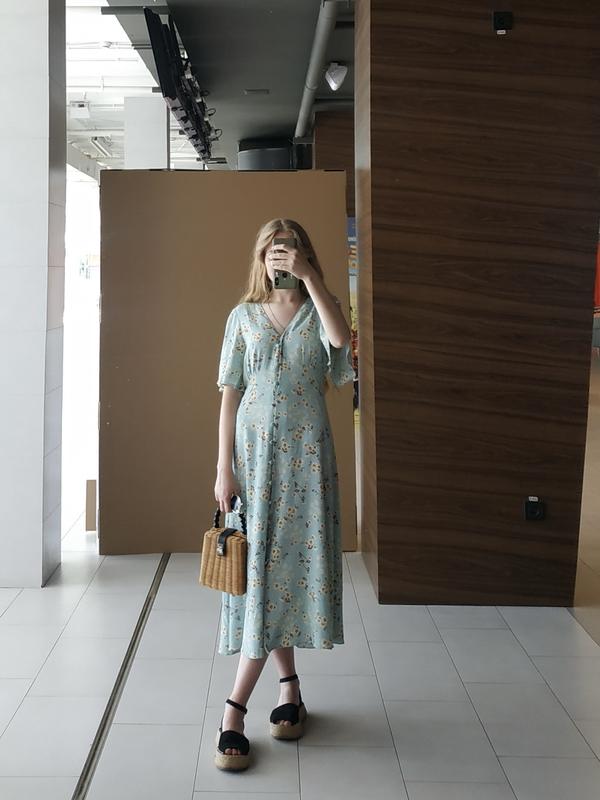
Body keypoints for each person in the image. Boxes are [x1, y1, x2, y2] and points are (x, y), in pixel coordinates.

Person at [213, 218, 355, 771]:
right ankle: (265, 697)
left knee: (283, 572)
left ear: (303, 254)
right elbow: (230, 393)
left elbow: (340, 343)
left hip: (307, 461)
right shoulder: (242, 316)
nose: (280, 259)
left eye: (289, 250)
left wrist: (311, 278)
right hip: (252, 462)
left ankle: (254, 702)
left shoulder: (324, 308)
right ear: (261, 258)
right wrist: (222, 469)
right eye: (273, 252)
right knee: (262, 574)